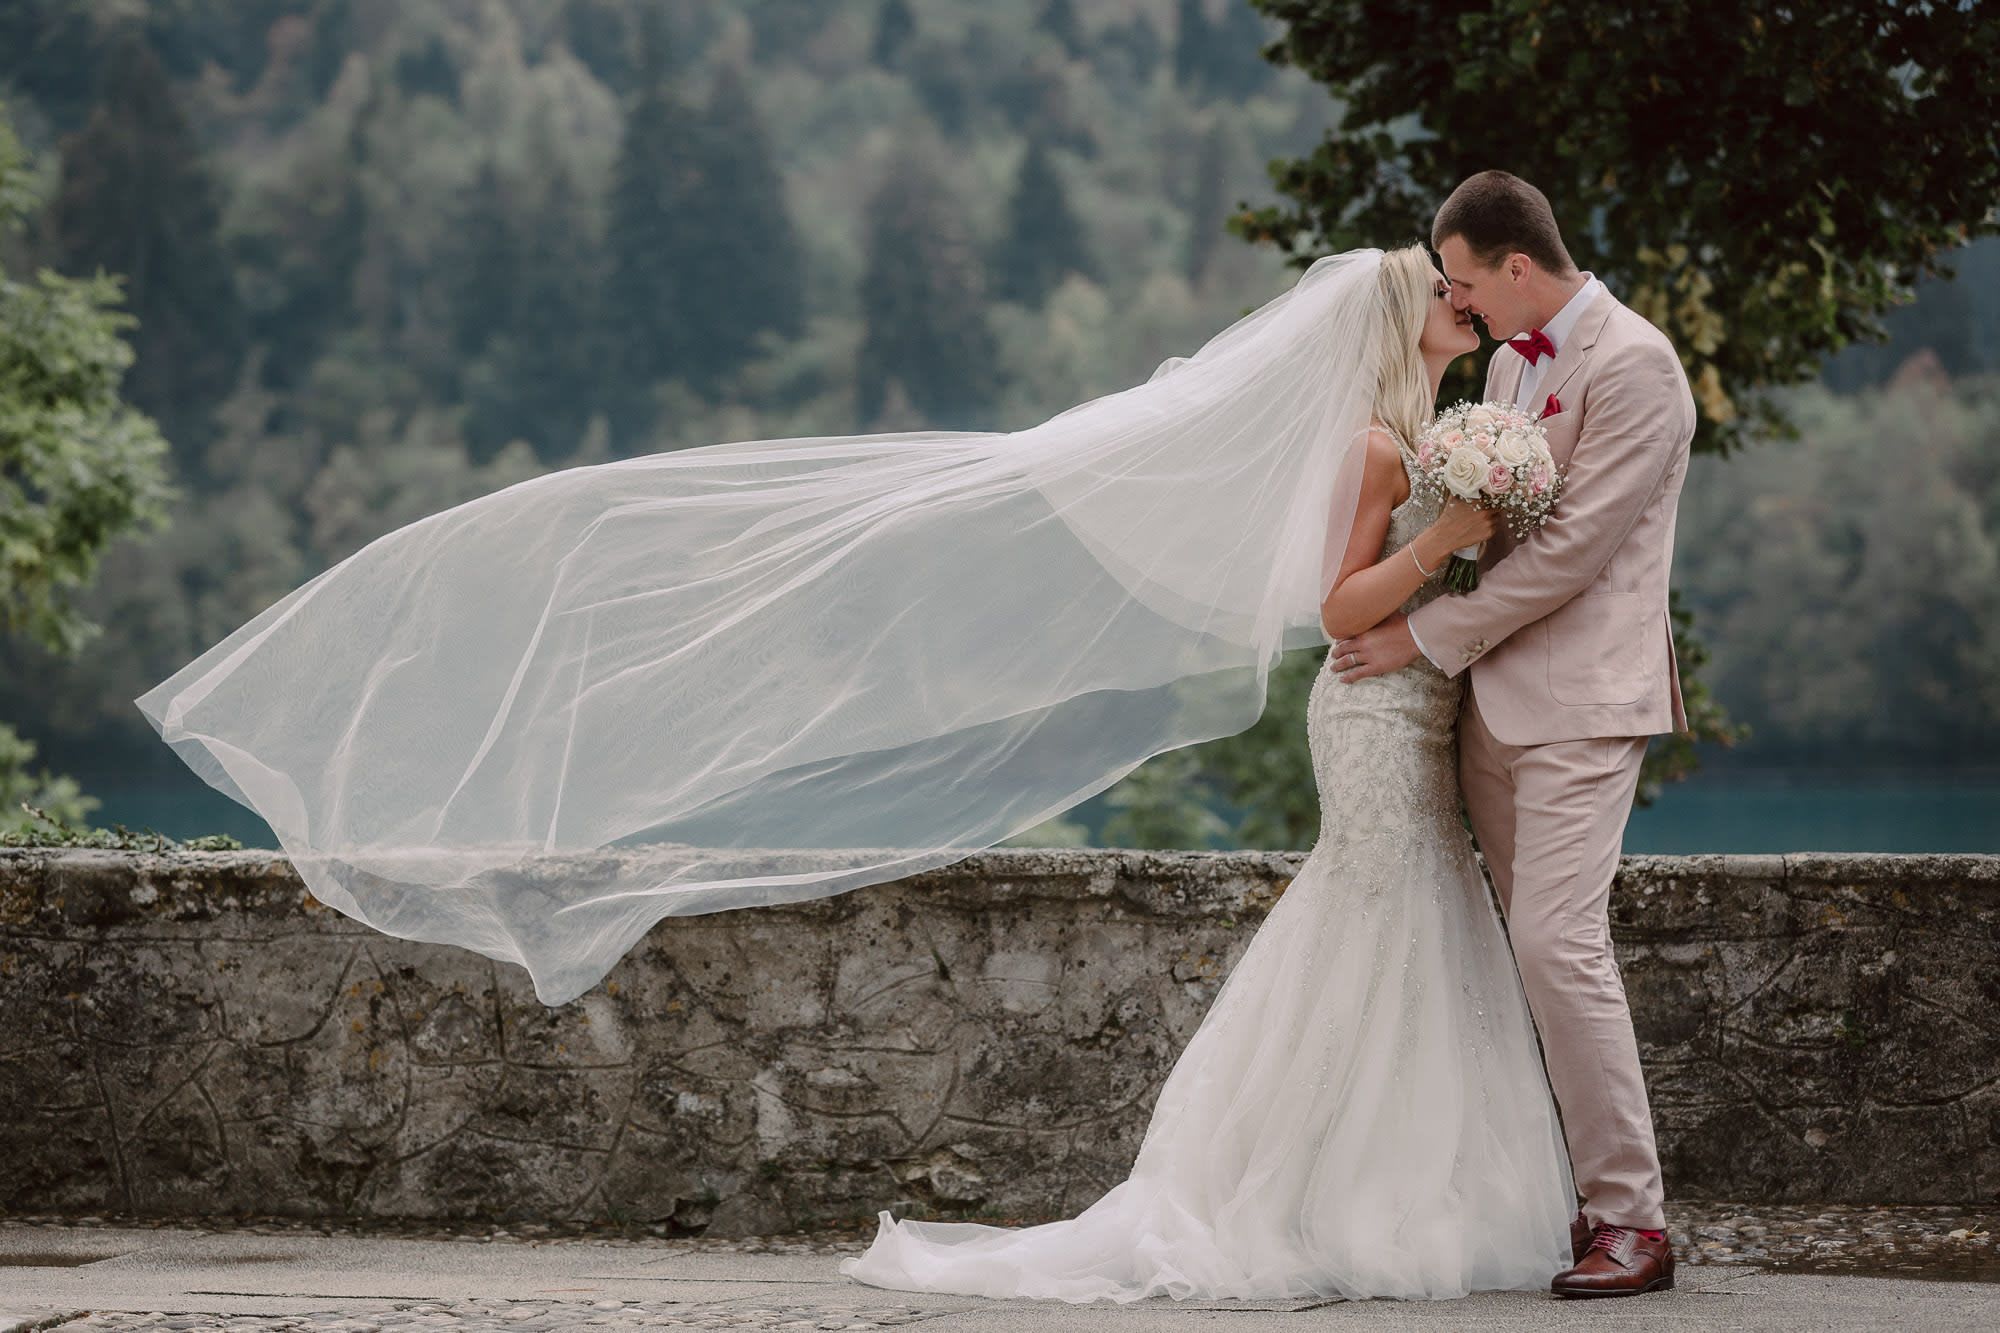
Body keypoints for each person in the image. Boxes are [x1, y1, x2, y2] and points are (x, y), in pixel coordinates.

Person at [837, 245, 1582, 1303]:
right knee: (1372, 911)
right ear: (1393, 324)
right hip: (1370, 710)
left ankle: (1403, 1182)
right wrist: (1449, 536)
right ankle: (1296, 1190)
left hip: (1422, 702)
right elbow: (1336, 609)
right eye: (1437, 294)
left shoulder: (1429, 436)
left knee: (1424, 917)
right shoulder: (1375, 448)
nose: (1457, 305)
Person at [1333, 172, 1696, 1299]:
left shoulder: (1636, 366)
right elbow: (1486, 537)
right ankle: (1540, 1199)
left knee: (1554, 942)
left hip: (1582, 704)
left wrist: (1417, 636)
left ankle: (1631, 1219)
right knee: (1495, 956)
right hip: (1484, 704)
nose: (1461, 303)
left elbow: (1571, 550)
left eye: (1464, 283)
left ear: (1517, 267)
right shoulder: (1501, 365)